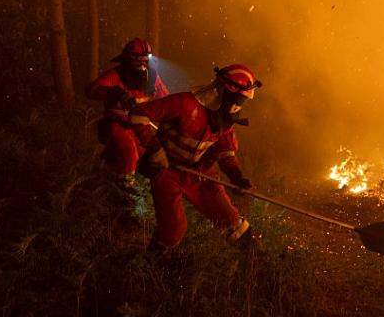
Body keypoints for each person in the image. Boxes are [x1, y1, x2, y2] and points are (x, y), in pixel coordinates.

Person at [130, 63, 261, 253]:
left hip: (200, 173)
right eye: (239, 99)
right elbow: (138, 115)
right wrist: (155, 150)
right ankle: (149, 265)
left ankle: (257, 263)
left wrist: (237, 176)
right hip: (167, 171)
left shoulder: (223, 118)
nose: (239, 105)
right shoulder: (184, 103)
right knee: (174, 230)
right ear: (225, 91)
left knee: (231, 220)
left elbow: (226, 152)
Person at [86, 38, 169, 190]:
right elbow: (92, 91)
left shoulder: (152, 78)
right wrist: (115, 92)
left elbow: (166, 100)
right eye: (138, 61)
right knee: (129, 151)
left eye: (146, 61)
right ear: (128, 60)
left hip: (142, 128)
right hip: (118, 125)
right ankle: (124, 193)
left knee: (153, 156)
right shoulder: (116, 75)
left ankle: (147, 191)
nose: (143, 65)